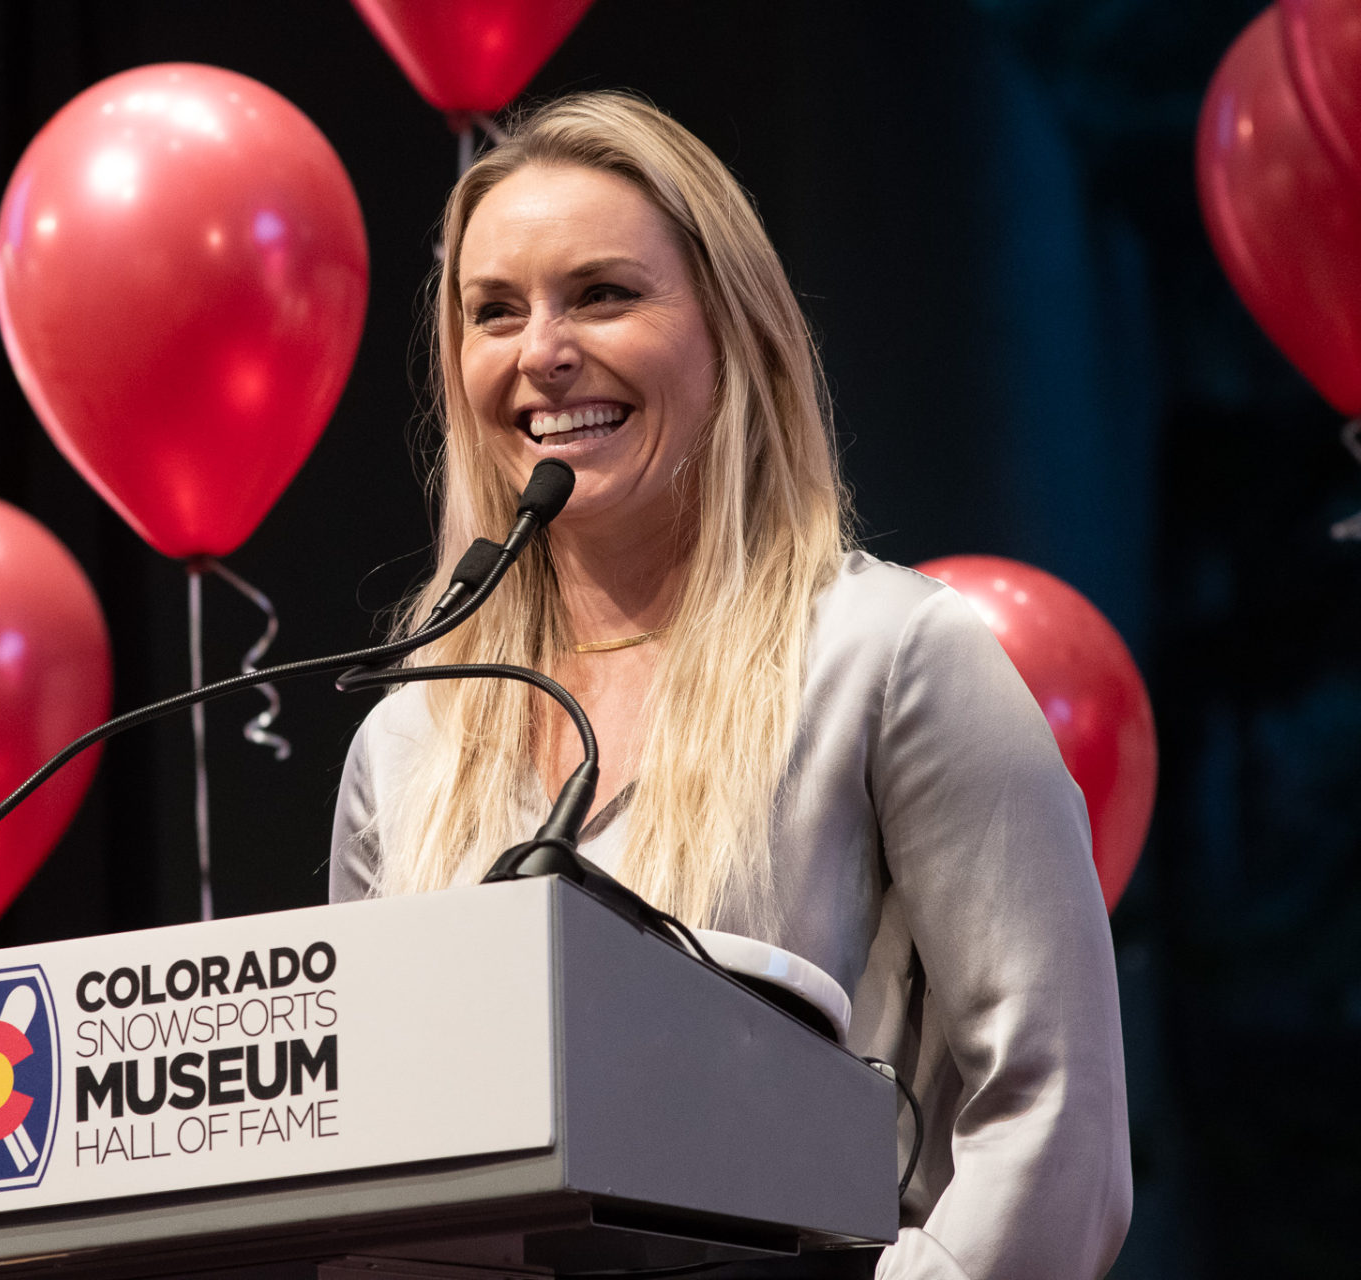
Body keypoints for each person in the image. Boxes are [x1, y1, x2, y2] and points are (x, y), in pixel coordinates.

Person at [329, 92, 1130, 1279]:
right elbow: (365, 1170)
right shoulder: (407, 746)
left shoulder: (889, 657)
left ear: (731, 330)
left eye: (602, 293)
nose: (542, 349)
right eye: (494, 311)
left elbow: (1054, 1123)